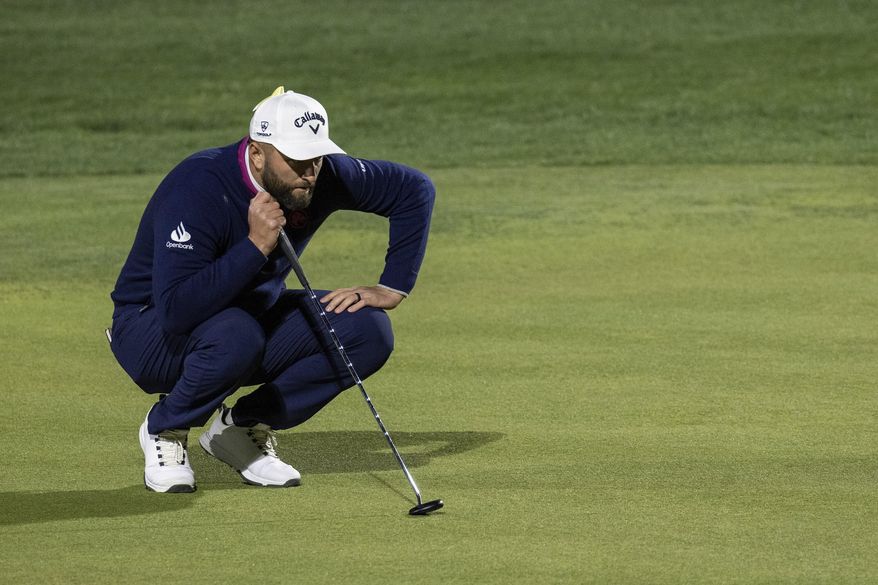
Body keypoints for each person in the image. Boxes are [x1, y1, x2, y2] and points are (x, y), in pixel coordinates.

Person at [109, 87, 435, 493]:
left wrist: (393, 285)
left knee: (367, 329)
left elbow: (414, 190)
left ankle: (239, 428)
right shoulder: (198, 185)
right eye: (296, 160)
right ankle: (165, 428)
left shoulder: (318, 176)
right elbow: (177, 310)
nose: (310, 172)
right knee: (236, 334)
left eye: (317, 157)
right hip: (151, 331)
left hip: (246, 320)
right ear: (257, 153)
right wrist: (254, 247)